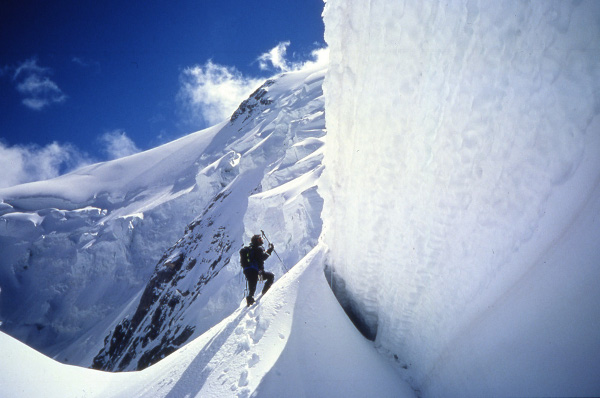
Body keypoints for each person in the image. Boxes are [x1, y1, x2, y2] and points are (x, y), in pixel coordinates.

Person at [243, 234, 275, 306]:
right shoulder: (258, 249)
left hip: (249, 272)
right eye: (260, 239)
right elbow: (262, 257)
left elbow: (259, 257)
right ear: (257, 240)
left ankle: (249, 302)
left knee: (252, 289)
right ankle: (265, 293)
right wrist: (270, 250)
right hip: (257, 272)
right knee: (271, 276)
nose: (262, 240)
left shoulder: (251, 249)